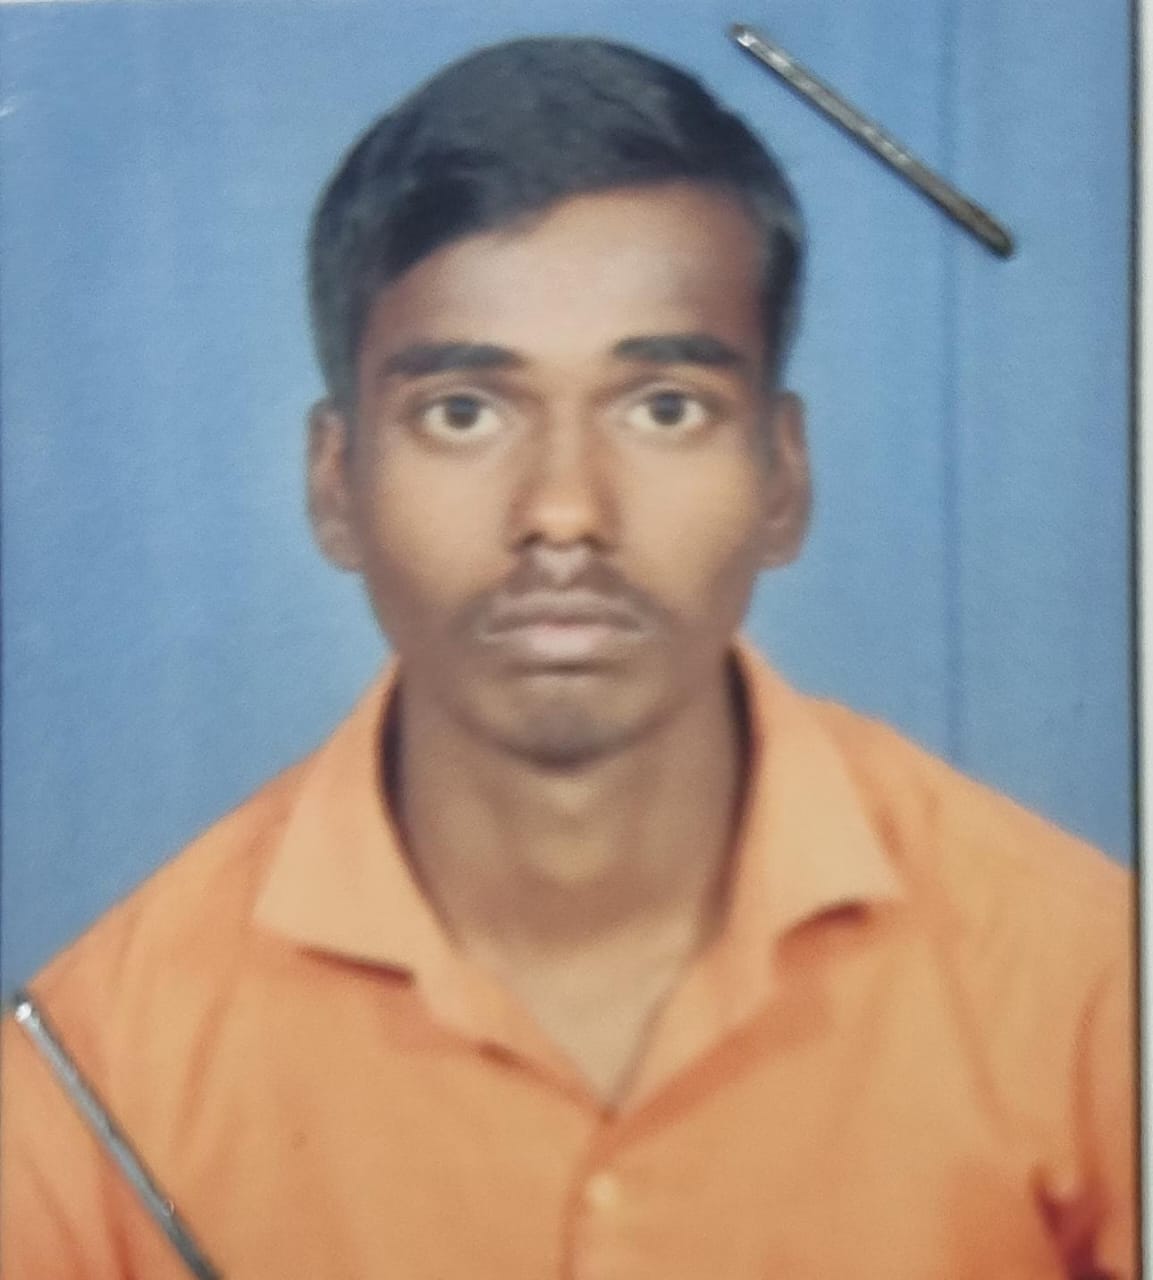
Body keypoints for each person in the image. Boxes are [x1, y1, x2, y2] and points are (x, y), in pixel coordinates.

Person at [0, 36, 1135, 1280]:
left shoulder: (1089, 984)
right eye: (462, 412)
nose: (562, 510)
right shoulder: (93, 1067)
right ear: (335, 484)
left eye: (663, 407)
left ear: (782, 476)